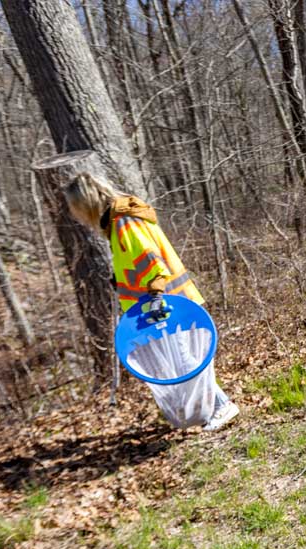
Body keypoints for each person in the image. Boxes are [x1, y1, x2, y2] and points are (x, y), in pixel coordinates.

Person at [63, 172, 239, 432]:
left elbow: (150, 258)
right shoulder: (119, 220)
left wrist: (156, 295)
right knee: (183, 359)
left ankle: (221, 406)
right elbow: (135, 260)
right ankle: (212, 407)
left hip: (166, 302)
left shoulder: (123, 221)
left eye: (77, 209)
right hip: (165, 300)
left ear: (87, 204)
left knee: (184, 359)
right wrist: (120, 279)